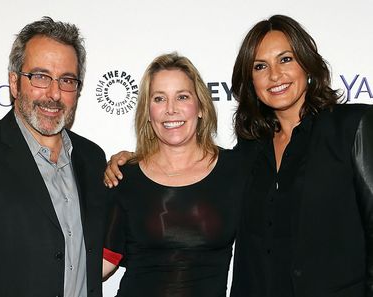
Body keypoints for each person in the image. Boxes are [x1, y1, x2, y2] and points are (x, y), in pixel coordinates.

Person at [104, 15, 373, 297]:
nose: (274, 75)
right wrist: (130, 160)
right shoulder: (250, 152)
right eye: (260, 66)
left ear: (307, 64)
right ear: (251, 80)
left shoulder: (353, 127)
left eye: (285, 59)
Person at [0, 17, 109, 297]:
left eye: (67, 80)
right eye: (40, 76)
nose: (54, 93)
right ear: (14, 83)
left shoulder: (93, 159)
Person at [102, 53, 250, 297]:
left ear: (201, 106)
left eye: (182, 97)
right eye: (159, 99)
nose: (171, 110)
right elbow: (102, 264)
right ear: (148, 113)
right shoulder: (124, 178)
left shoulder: (236, 170)